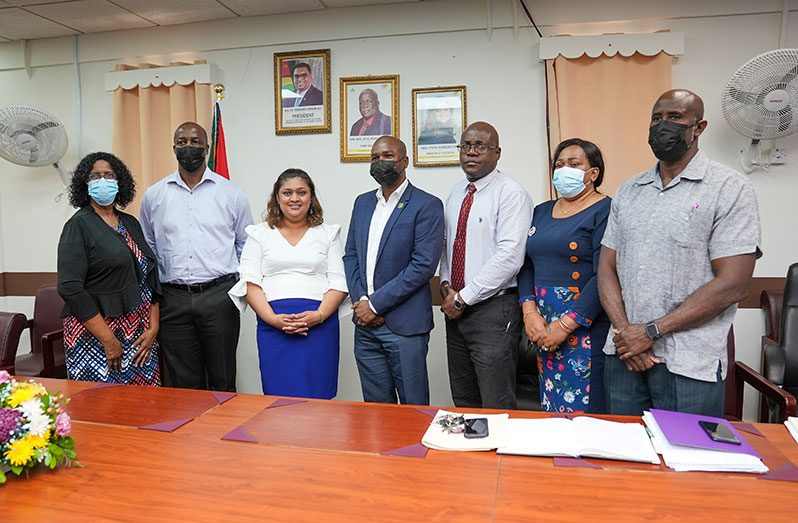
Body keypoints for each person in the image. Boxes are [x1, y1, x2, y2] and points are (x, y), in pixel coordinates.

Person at [598, 89, 762, 417]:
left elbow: (734, 284)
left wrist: (651, 332)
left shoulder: (729, 187)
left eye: (675, 118)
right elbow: (607, 268)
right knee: (622, 461)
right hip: (624, 357)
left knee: (687, 461)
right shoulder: (630, 190)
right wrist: (626, 333)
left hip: (689, 365)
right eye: (656, 118)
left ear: (698, 128)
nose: (663, 126)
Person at [140, 122, 253, 392]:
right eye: (182, 142)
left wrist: (233, 287)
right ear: (174, 148)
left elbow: (245, 244)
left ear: (206, 147)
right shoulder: (155, 195)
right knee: (182, 383)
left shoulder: (231, 193)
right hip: (172, 299)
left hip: (219, 296)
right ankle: (186, 435)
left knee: (222, 377)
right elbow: (148, 246)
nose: (188, 147)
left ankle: (220, 433)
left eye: (195, 141)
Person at [343, 136, 444, 405]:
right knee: (376, 412)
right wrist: (361, 302)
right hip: (365, 326)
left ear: (405, 162)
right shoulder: (362, 203)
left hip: (404, 326)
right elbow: (350, 255)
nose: (380, 162)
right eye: (374, 158)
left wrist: (375, 305)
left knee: (413, 410)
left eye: (387, 156)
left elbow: (422, 266)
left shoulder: (427, 205)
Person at [439, 122, 534, 409]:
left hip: (493, 309)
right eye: (466, 145)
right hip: (455, 308)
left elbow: (510, 257)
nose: (471, 152)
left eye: (480, 146)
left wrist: (462, 298)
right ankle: (468, 455)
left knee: (496, 402)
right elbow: (448, 246)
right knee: (464, 397)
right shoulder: (457, 192)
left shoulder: (511, 193)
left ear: (497, 153)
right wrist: (446, 285)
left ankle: (502, 455)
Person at [228, 169, 347, 399]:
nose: (294, 198)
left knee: (319, 399)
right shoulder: (259, 234)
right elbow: (250, 282)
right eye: (287, 192)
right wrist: (273, 319)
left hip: (319, 327)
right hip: (273, 326)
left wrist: (318, 316)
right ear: (277, 197)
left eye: (302, 192)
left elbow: (339, 282)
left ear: (311, 197)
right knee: (278, 400)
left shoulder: (328, 233)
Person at [518, 138, 611, 414]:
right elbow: (526, 265)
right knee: (551, 405)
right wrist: (529, 312)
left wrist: (566, 325)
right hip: (541, 324)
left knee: (585, 411)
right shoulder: (541, 211)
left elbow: (604, 274)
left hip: (583, 323)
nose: (563, 170)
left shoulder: (605, 209)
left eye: (574, 164)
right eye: (559, 165)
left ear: (592, 173)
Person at [57, 152, 160, 385]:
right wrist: (109, 340)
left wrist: (154, 327)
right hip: (97, 337)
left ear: (119, 181)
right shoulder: (78, 226)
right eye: (95, 176)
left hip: (140, 337)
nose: (102, 181)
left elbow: (149, 276)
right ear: (85, 183)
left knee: (147, 411)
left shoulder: (130, 223)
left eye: (109, 175)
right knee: (102, 410)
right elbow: (70, 287)